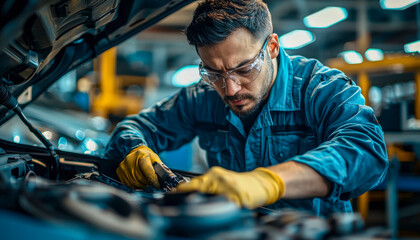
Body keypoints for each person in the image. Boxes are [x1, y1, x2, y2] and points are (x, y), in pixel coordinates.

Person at [105, 0, 388, 216]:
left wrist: (270, 182)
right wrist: (134, 148)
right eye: (214, 73)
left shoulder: (319, 89)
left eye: (243, 68)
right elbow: (134, 127)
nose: (230, 89)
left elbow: (366, 150)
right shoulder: (202, 98)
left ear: (273, 47)